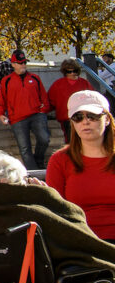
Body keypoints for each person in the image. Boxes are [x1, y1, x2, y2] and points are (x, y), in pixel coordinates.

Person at [0, 151, 115, 276]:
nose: (25, 183)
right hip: (54, 279)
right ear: (4, 181)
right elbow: (77, 226)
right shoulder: (32, 213)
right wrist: (47, 195)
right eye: (22, 179)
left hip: (4, 282)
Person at [46, 90, 115, 241]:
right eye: (78, 117)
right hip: (80, 243)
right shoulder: (59, 160)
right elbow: (55, 210)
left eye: (92, 116)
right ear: (72, 122)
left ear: (107, 119)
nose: (85, 122)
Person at [0, 50, 51, 170]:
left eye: (24, 62)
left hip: (36, 114)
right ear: (13, 64)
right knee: (24, 148)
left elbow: (44, 96)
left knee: (44, 138)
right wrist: (0, 114)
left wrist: (44, 110)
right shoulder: (6, 81)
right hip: (17, 119)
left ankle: (39, 159)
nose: (23, 65)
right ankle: (33, 171)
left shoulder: (35, 78)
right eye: (20, 63)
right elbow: (1, 100)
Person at [48, 60, 93, 145]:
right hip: (66, 118)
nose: (72, 73)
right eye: (69, 71)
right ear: (65, 72)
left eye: (75, 71)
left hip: (82, 117)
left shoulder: (84, 83)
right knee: (70, 141)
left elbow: (92, 98)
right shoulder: (58, 84)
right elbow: (51, 99)